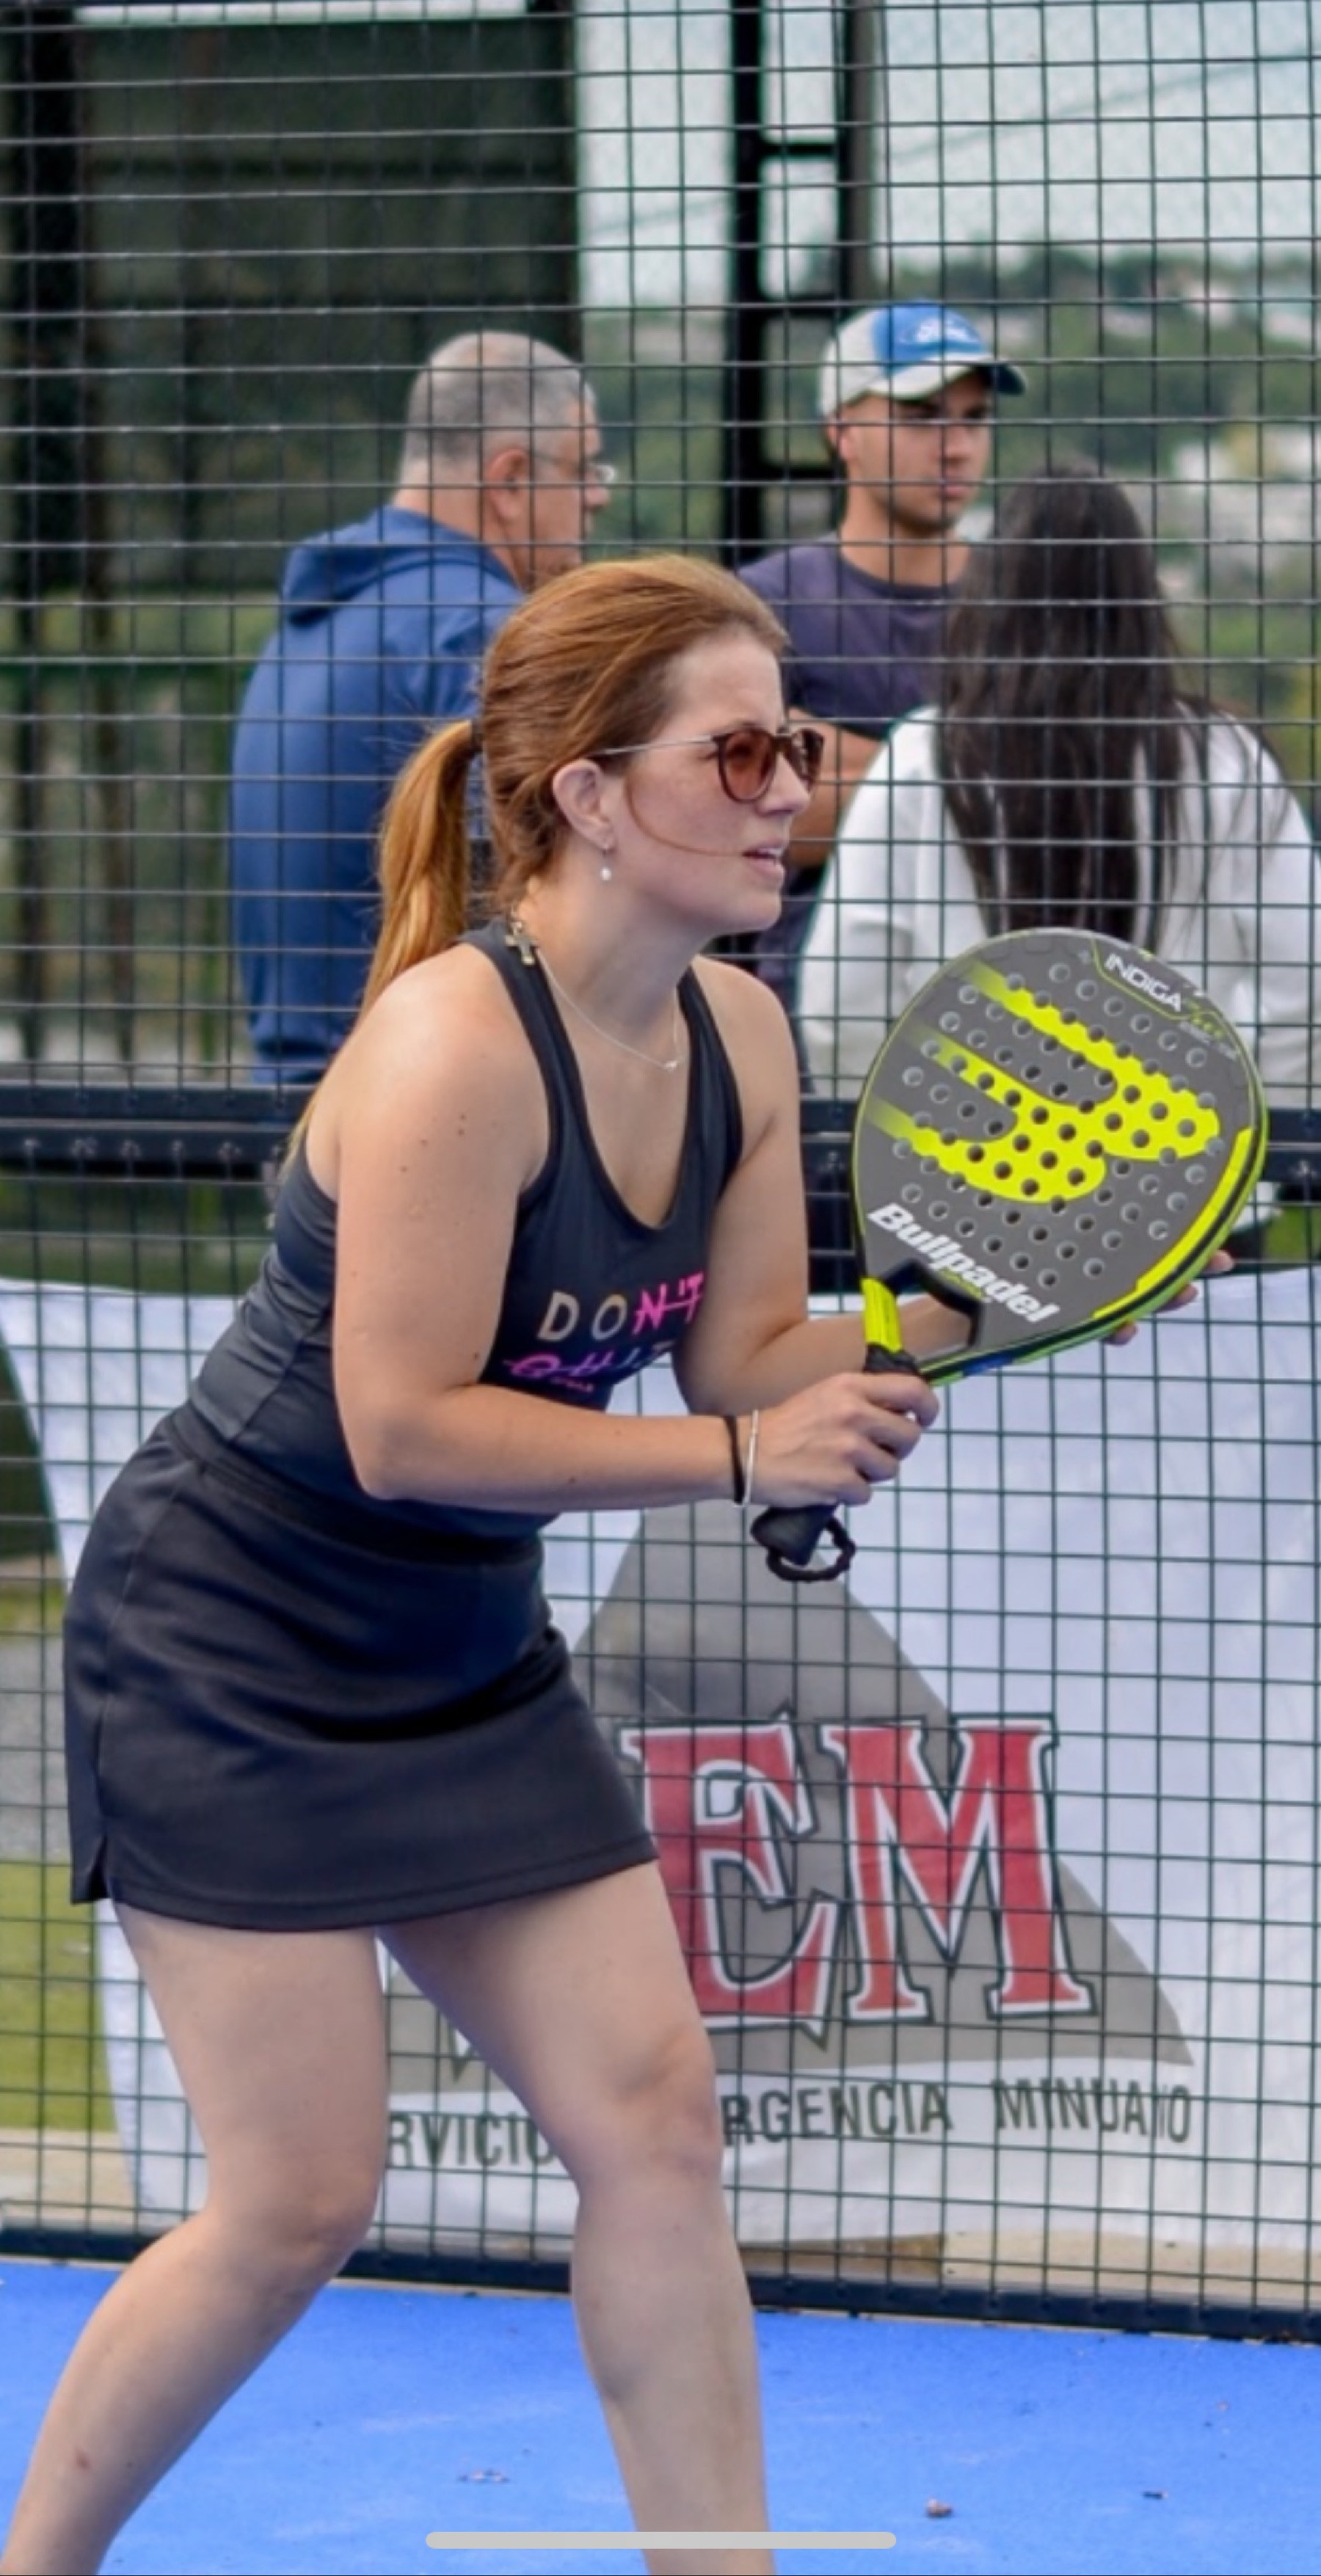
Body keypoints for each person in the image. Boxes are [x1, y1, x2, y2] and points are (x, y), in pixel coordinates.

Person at [5, 554, 962, 2576]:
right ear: (593, 793)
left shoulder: (740, 1033)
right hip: (228, 1645)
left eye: (798, 741)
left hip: (462, 1645)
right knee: (296, 2199)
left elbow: (745, 1354)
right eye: (741, 749)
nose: (795, 786)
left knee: (658, 2124)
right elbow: (407, 1425)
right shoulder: (451, 1044)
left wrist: (963, 1308)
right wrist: (743, 1455)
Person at [797, 470, 1321, 1118]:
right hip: (1185, 1153)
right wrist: (1240, 1137)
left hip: (967, 1156)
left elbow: (846, 992)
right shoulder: (1227, 758)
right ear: (1140, 597)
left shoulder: (923, 753)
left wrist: (897, 1142)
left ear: (990, 596)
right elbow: (1304, 981)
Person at [230, 328, 614, 1079]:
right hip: (420, 1098)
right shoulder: (479, 628)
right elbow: (526, 901)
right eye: (583, 468)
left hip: (298, 1097)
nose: (598, 495)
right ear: (511, 481)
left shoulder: (315, 618)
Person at [738, 299, 1025, 1007]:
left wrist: (834, 758)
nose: (955, 446)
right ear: (841, 429)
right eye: (920, 417)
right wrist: (973, 770)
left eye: (974, 419)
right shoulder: (764, 603)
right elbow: (745, 814)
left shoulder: (1023, 606)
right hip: (818, 1006)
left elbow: (1054, 807)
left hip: (1001, 1004)